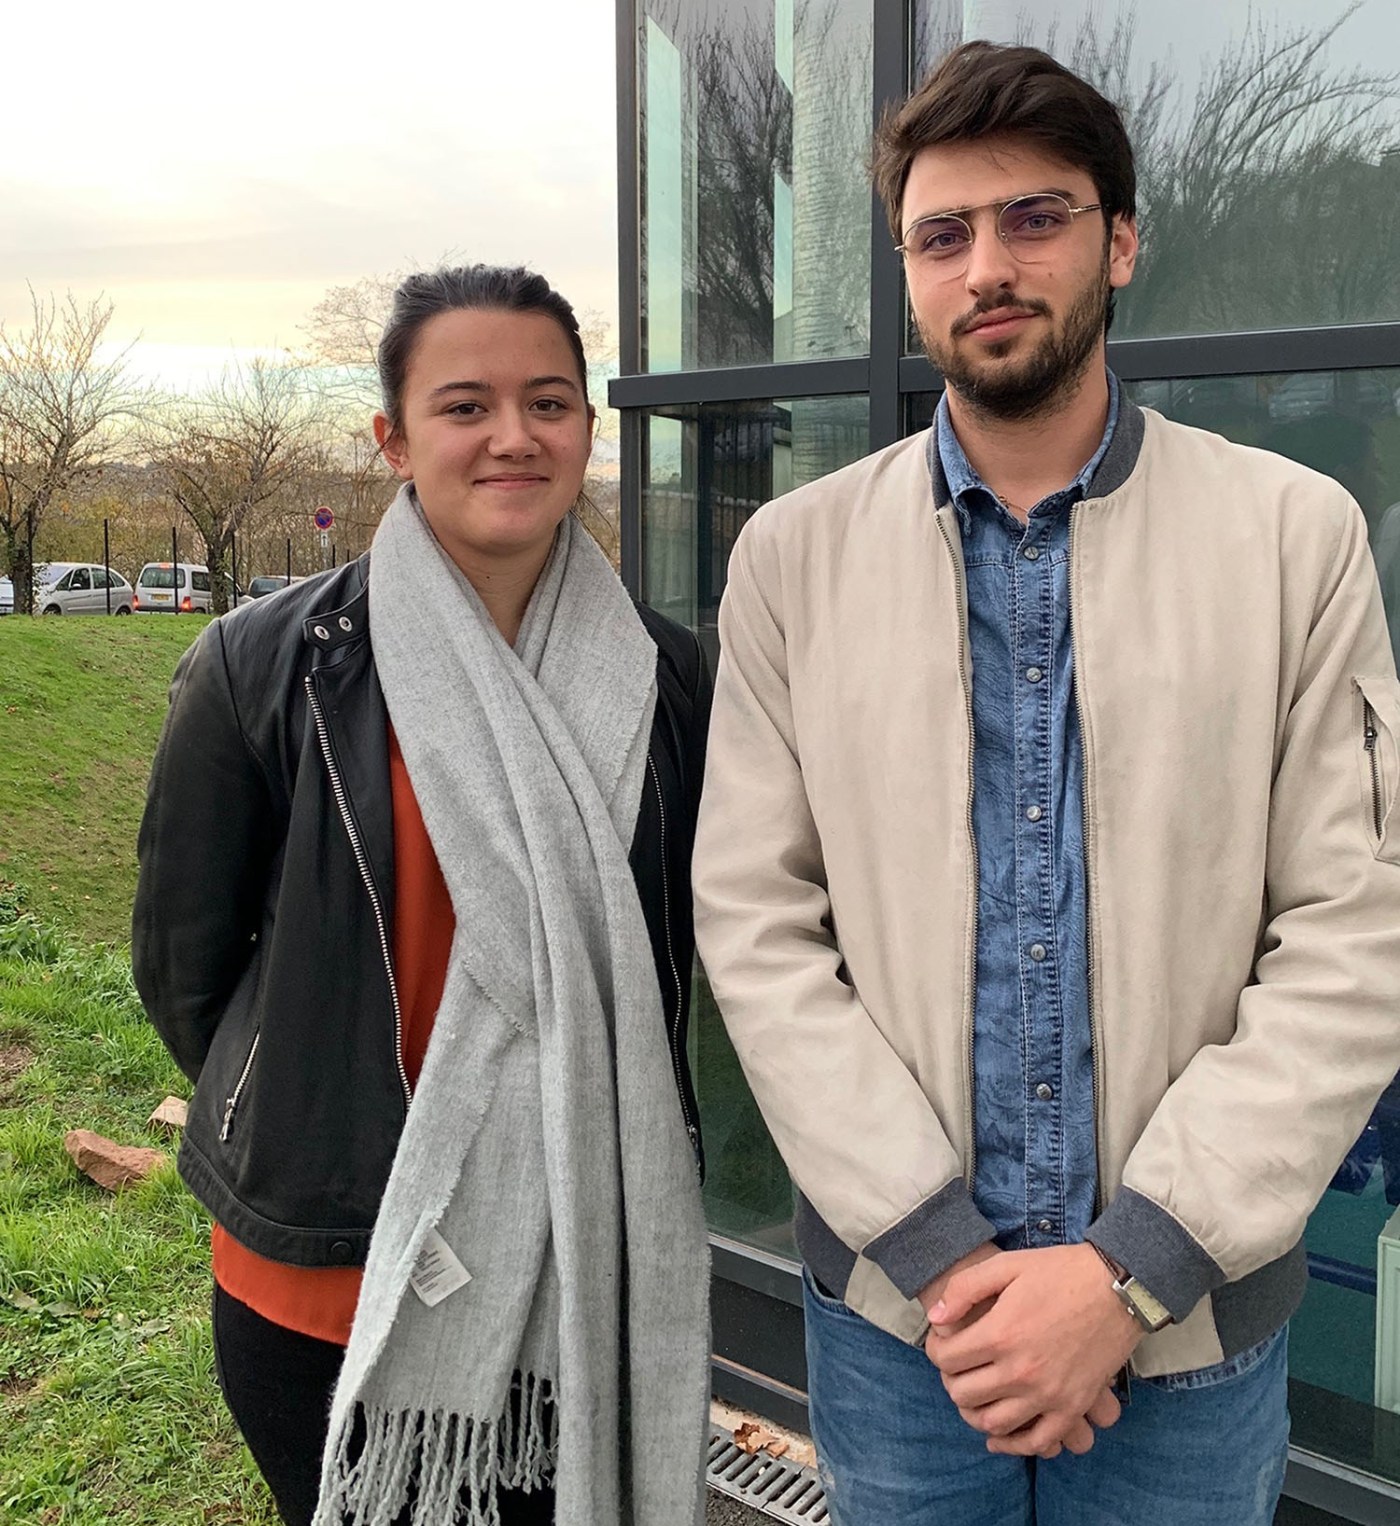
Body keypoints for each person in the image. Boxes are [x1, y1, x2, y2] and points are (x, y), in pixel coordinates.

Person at [691, 40, 1400, 1526]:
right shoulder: (793, 561)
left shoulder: (1295, 537)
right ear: (906, 271)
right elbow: (755, 925)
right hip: (903, 1331)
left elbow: (1359, 925)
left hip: (1191, 1338)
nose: (988, 264)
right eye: (943, 234)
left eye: (1037, 216)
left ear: (1121, 240)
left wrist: (1129, 1271)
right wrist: (955, 1268)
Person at [133, 264, 712, 1526]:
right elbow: (185, 962)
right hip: (333, 1266)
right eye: (465, 405)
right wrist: (304, 1100)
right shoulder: (261, 665)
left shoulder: (669, 677)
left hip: (589, 1247)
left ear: (586, 432)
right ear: (392, 437)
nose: (513, 434)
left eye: (549, 402)